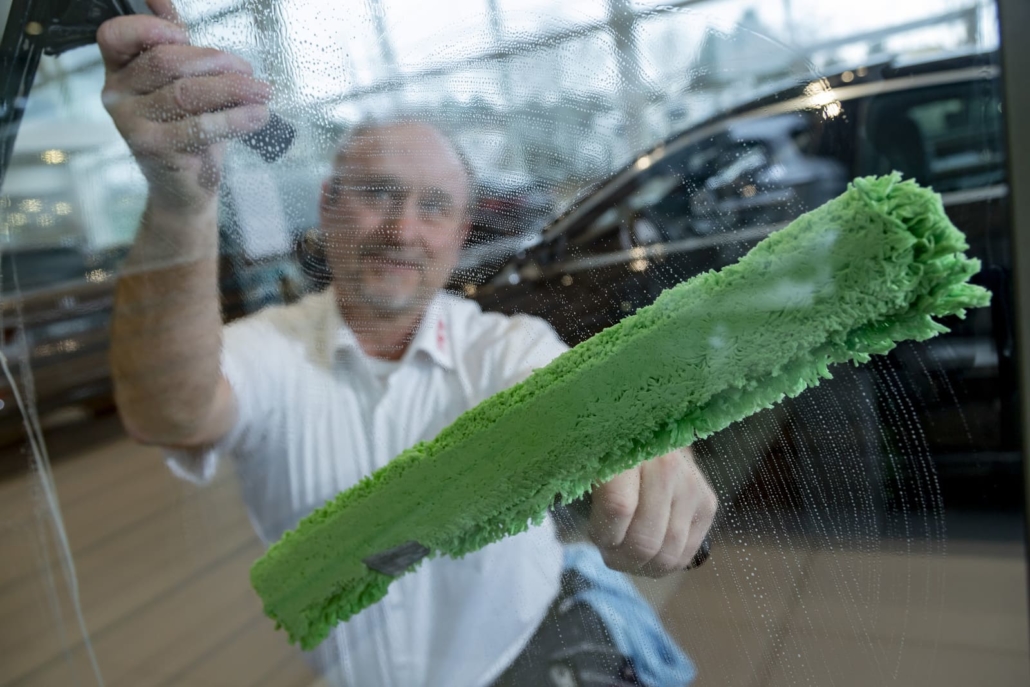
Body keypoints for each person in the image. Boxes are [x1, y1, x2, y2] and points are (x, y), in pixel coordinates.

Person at [99, 2, 718, 685]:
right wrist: (182, 198)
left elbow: (587, 404)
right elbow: (171, 411)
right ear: (329, 204)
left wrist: (649, 452)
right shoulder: (268, 348)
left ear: (459, 236)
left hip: (528, 661)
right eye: (379, 194)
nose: (403, 230)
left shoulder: (508, 347)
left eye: (433, 207)